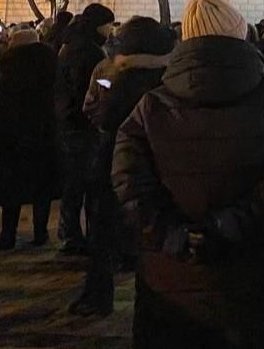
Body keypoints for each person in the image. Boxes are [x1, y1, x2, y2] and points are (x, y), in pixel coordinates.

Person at [113, 0, 264, 348]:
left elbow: (128, 183)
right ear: (240, 35)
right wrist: (235, 221)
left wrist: (171, 233)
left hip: (173, 275)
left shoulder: (150, 107)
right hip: (255, 266)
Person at [70, 17, 175, 316]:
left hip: (112, 153)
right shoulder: (169, 74)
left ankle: (97, 294)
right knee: (153, 227)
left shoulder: (107, 71)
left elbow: (93, 108)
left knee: (103, 226)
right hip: (157, 157)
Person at [0, 28, 60, 251]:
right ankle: (41, 232)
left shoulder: (7, 65)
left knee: (12, 188)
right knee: (42, 188)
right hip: (46, 132)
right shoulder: (52, 63)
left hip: (14, 136)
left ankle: (7, 234)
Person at [54, 3, 115, 255]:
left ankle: (72, 232)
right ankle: (73, 235)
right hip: (81, 124)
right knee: (81, 181)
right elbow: (89, 85)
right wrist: (110, 81)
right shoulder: (88, 51)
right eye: (109, 24)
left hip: (69, 120)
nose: (111, 29)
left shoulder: (73, 44)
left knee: (75, 182)